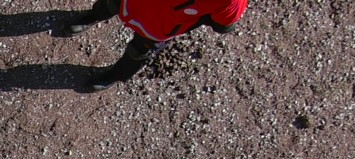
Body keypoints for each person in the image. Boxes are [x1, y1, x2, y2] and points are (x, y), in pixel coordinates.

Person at [57, 0, 248, 92]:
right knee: (112, 3)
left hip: (162, 23)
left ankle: (116, 75)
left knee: (139, 51)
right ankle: (91, 16)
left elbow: (223, 23)